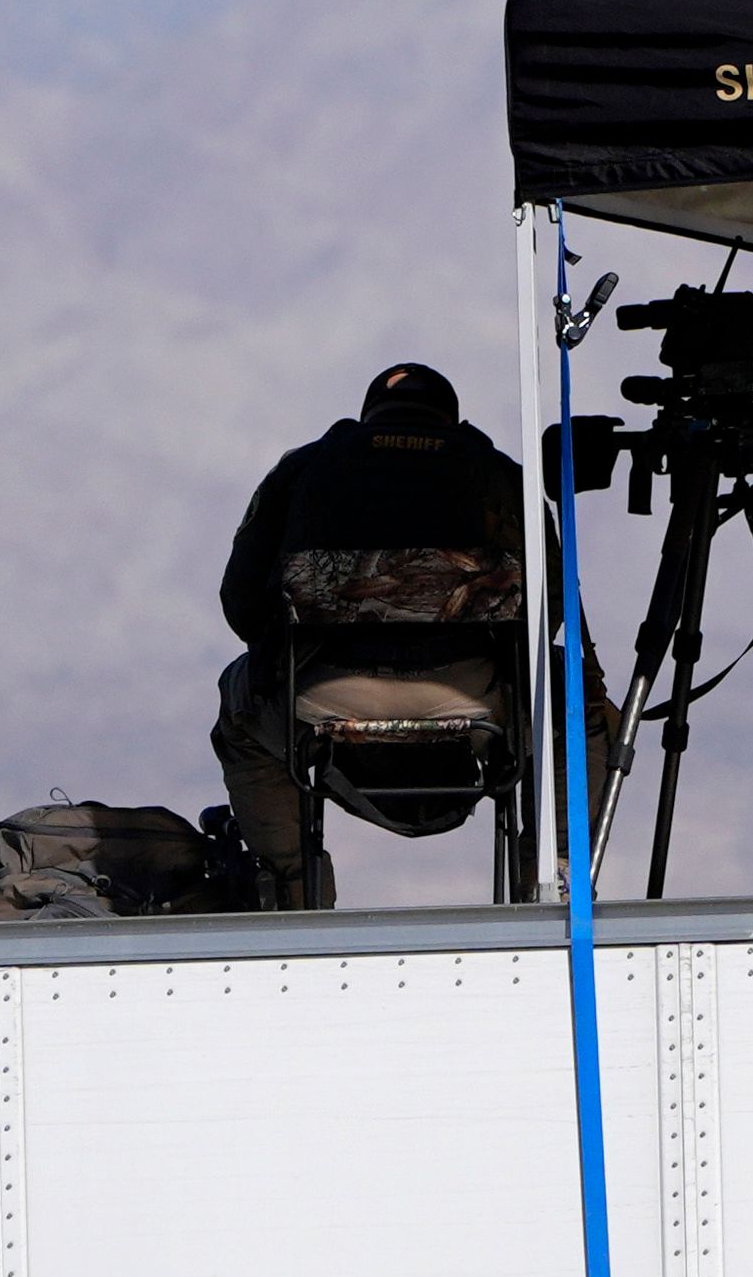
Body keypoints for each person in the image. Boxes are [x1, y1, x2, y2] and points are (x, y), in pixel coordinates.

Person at [211, 362, 529, 911]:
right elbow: (551, 607)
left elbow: (241, 607)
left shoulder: (304, 468)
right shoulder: (500, 474)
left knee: (237, 706)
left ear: (366, 416)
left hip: (323, 697)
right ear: (451, 419)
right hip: (473, 696)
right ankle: (555, 877)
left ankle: (293, 894)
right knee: (576, 700)